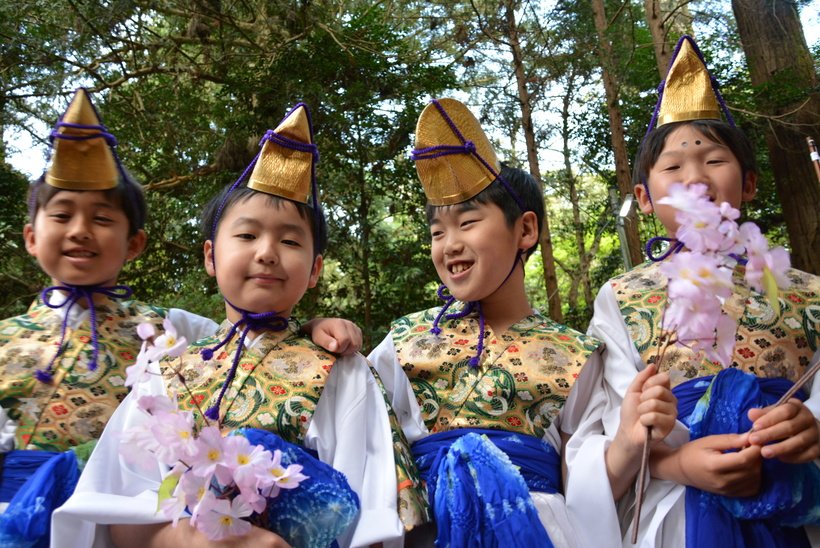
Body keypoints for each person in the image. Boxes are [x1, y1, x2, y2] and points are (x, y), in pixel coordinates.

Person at [52, 103, 405, 547]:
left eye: (289, 240)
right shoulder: (167, 372)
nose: (267, 252)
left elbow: (370, 511)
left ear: (315, 269)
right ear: (210, 256)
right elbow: (115, 508)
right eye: (247, 235)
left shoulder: (342, 370)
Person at [368, 97, 670, 547]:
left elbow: (585, 490)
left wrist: (628, 439)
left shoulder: (576, 354)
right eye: (437, 232)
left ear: (525, 230)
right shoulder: (403, 341)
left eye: (468, 222)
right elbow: (365, 443)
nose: (450, 244)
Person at [564, 35, 820, 547]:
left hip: (791, 497)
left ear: (749, 184)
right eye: (673, 167)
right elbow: (612, 424)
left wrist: (811, 424)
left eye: (714, 160)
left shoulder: (807, 291)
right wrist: (676, 460)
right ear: (644, 197)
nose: (695, 177)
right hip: (675, 514)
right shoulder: (622, 295)